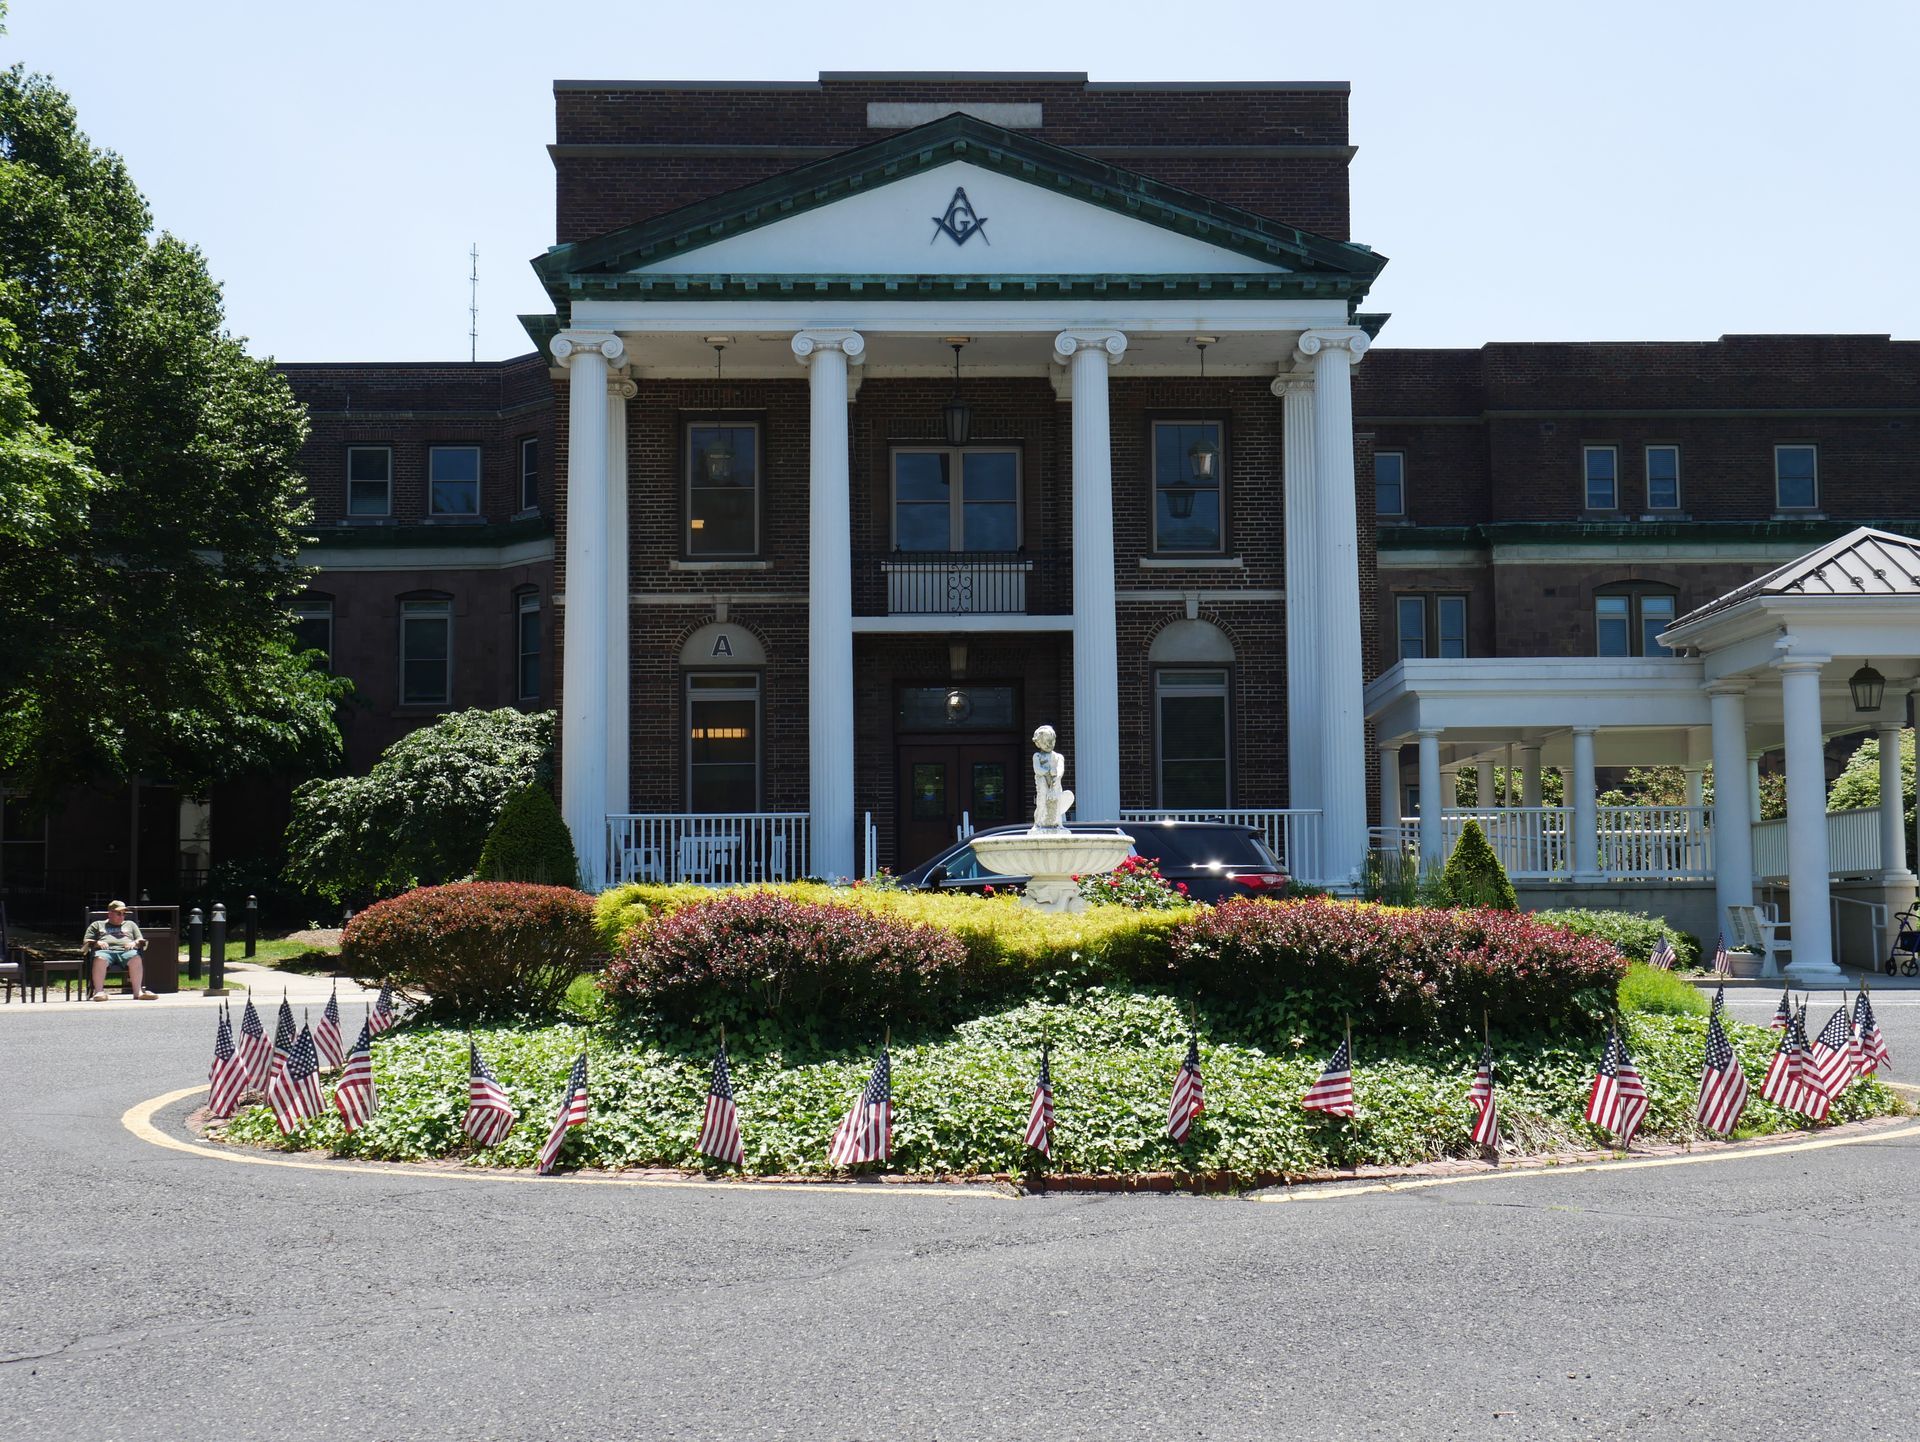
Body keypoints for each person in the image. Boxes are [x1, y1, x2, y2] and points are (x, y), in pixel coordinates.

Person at [83, 901, 156, 1001]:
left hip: (126, 951)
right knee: (99, 959)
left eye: (124, 913)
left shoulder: (131, 924)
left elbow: (140, 939)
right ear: (109, 913)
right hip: (105, 951)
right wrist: (97, 943)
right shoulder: (97, 924)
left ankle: (138, 992)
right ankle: (99, 992)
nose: (122, 916)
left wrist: (134, 943)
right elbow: (86, 941)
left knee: (136, 958)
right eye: (118, 913)